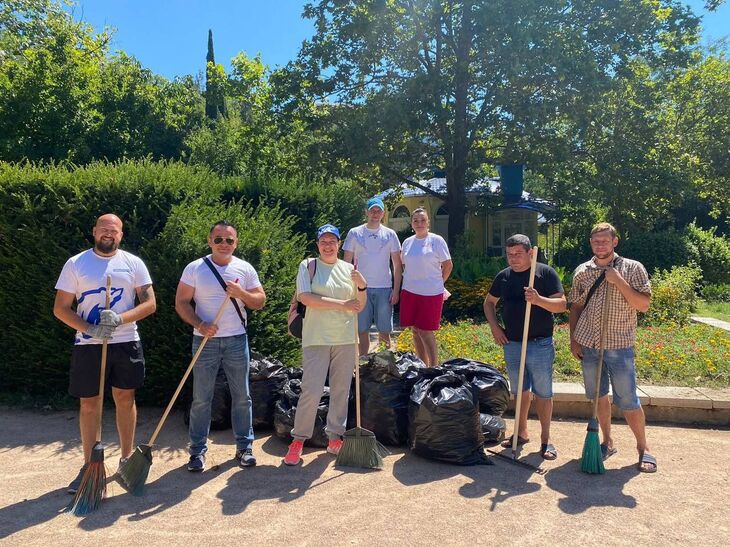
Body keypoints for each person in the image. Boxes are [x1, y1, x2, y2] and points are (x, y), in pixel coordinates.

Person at [54, 213, 156, 494]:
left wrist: (120, 319)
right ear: (94, 231)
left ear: (121, 235)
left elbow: (150, 304)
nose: (108, 234)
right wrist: (89, 328)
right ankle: (90, 466)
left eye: (114, 230)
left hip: (126, 341)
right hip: (88, 344)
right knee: (89, 403)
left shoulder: (133, 263)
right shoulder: (76, 263)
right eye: (104, 229)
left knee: (125, 398)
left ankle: (126, 459)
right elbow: (60, 308)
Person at [175, 220, 266, 472]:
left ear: (236, 243)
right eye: (218, 239)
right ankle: (197, 451)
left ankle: (244, 448)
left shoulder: (245, 268)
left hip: (237, 340)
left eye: (229, 240)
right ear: (209, 241)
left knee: (242, 396)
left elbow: (259, 301)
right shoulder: (195, 268)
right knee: (201, 398)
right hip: (204, 341)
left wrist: (241, 294)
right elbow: (181, 302)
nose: (224, 244)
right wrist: (200, 324)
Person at [568, 222, 656, 473]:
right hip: (589, 344)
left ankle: (644, 448)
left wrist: (618, 281)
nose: (600, 245)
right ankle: (607, 442)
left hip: (619, 345)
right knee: (598, 396)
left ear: (615, 242)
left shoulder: (632, 268)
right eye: (596, 241)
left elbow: (643, 305)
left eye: (605, 241)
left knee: (628, 400)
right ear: (590, 243)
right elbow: (576, 306)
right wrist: (574, 339)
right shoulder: (582, 271)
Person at [283, 224, 368, 466]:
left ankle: (334, 438)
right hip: (316, 338)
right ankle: (298, 440)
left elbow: (359, 305)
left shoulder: (349, 269)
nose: (328, 246)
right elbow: (305, 297)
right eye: (324, 241)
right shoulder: (308, 266)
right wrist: (342, 305)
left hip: (345, 338)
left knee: (341, 390)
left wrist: (362, 286)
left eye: (332, 241)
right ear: (317, 244)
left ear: (339, 244)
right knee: (311, 390)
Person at [483, 235, 566, 460]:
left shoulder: (545, 274)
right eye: (509, 254)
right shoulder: (504, 277)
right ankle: (521, 433)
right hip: (512, 343)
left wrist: (538, 300)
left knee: (543, 392)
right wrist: (495, 328)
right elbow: (489, 303)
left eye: (518, 254)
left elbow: (561, 305)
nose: (513, 259)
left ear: (530, 253)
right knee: (519, 391)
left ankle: (546, 440)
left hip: (540, 343)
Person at [343, 196, 402, 356]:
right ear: (366, 212)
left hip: (384, 288)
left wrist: (396, 291)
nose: (375, 213)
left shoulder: (390, 234)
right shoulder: (354, 233)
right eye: (372, 210)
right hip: (360, 289)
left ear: (383, 213)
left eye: (378, 210)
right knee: (362, 330)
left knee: (384, 330)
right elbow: (346, 264)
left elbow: (397, 265)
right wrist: (348, 289)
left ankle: (384, 364)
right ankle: (363, 362)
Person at [399, 207, 453, 367]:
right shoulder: (407, 242)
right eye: (415, 220)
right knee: (415, 331)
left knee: (425, 331)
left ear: (428, 222)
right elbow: (405, 265)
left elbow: (448, 265)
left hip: (431, 293)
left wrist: (439, 283)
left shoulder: (436, 240)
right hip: (409, 292)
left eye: (423, 220)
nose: (419, 223)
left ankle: (434, 367)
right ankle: (422, 366)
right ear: (411, 223)